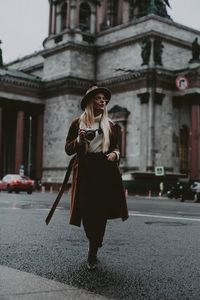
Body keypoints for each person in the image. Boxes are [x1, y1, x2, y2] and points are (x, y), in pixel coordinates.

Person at [65, 85, 129, 270]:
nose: (103, 101)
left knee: (100, 212)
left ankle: (92, 253)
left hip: (104, 169)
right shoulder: (78, 124)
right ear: (90, 101)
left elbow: (118, 148)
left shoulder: (112, 126)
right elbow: (68, 149)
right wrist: (79, 140)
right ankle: (94, 238)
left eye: (104, 99)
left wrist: (115, 155)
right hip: (85, 169)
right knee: (86, 211)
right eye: (99, 98)